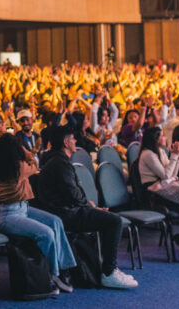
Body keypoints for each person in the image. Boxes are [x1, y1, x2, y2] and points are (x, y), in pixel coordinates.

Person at [37, 124, 138, 289]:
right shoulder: (60, 164)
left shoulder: (56, 160)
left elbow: (73, 193)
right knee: (114, 221)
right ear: (65, 142)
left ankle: (108, 269)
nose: (76, 140)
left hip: (66, 210)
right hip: (67, 214)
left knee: (109, 219)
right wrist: (91, 207)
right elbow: (73, 195)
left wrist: (88, 204)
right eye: (73, 138)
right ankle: (109, 272)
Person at [0, 133, 75, 292]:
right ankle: (52, 275)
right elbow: (34, 163)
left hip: (21, 209)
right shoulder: (19, 168)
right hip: (9, 216)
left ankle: (65, 266)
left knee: (56, 221)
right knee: (47, 233)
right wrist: (23, 148)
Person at [137, 126, 179, 262]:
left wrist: (177, 156)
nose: (165, 138)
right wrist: (174, 156)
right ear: (155, 139)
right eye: (162, 136)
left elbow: (172, 175)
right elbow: (165, 175)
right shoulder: (148, 154)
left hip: (164, 189)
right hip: (153, 194)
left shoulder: (161, 152)